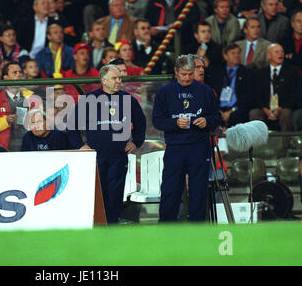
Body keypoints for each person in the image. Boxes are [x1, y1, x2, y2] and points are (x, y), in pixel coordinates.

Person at [68, 64, 146, 223]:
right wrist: (80, 146)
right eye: (114, 78)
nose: (118, 81)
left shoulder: (128, 99)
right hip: (96, 158)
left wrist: (136, 142)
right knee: (97, 194)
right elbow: (72, 125)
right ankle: (97, 225)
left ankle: (112, 225)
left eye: (119, 78)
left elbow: (141, 123)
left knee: (115, 194)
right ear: (103, 80)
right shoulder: (90, 99)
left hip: (119, 156)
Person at [152, 55, 221, 222]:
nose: (187, 78)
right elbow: (157, 120)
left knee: (198, 190)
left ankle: (197, 226)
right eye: (183, 74)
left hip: (199, 146)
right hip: (175, 147)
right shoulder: (164, 92)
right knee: (170, 189)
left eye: (190, 74)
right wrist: (175, 123)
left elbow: (217, 117)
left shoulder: (205, 91)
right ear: (176, 72)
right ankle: (166, 227)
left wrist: (207, 121)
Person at [0, 60, 35, 150]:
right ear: (5, 77)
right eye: (14, 73)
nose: (19, 75)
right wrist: (6, 120)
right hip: (3, 149)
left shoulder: (32, 98)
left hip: (30, 147)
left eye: (20, 72)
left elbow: (41, 122)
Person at [249, 43, 298, 131]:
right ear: (268, 55)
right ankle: (259, 144)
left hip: (283, 107)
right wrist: (265, 109)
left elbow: (295, 94)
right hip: (265, 107)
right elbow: (256, 94)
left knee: (286, 114)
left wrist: (280, 108)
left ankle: (286, 144)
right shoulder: (260, 73)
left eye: (282, 52)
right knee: (254, 113)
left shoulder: (292, 72)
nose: (280, 54)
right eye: (277, 52)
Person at [208, 43, 256, 128]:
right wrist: (219, 111)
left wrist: (231, 111)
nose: (236, 55)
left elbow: (248, 96)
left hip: (237, 109)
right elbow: (211, 93)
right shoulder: (217, 72)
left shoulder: (246, 72)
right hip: (219, 109)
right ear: (225, 56)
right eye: (233, 53)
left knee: (236, 118)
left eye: (238, 53)